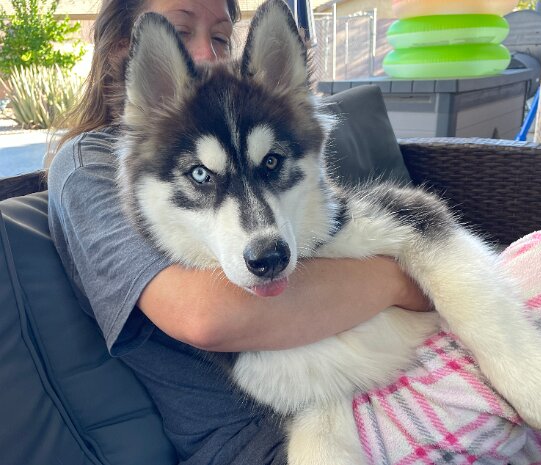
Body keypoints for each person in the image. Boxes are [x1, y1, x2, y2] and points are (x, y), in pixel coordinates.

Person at [47, 1, 432, 464]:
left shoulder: (246, 127)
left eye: (221, 38)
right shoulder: (91, 164)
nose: (208, 56)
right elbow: (206, 317)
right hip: (258, 437)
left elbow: (327, 232)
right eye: (180, 33)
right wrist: (405, 280)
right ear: (124, 51)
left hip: (355, 381)